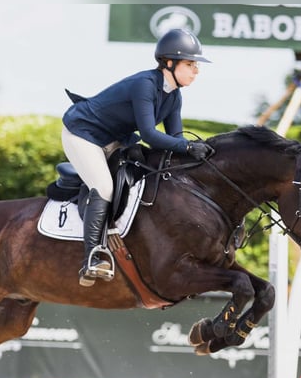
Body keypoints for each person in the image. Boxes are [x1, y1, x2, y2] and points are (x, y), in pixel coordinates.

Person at [62, 28, 213, 287]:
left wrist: (196, 153)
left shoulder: (174, 95)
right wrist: (187, 148)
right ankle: (93, 257)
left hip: (114, 137)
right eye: (190, 64)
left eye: (195, 65)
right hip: (84, 133)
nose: (196, 70)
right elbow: (150, 135)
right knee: (105, 187)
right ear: (169, 63)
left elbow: (175, 139)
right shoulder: (145, 84)